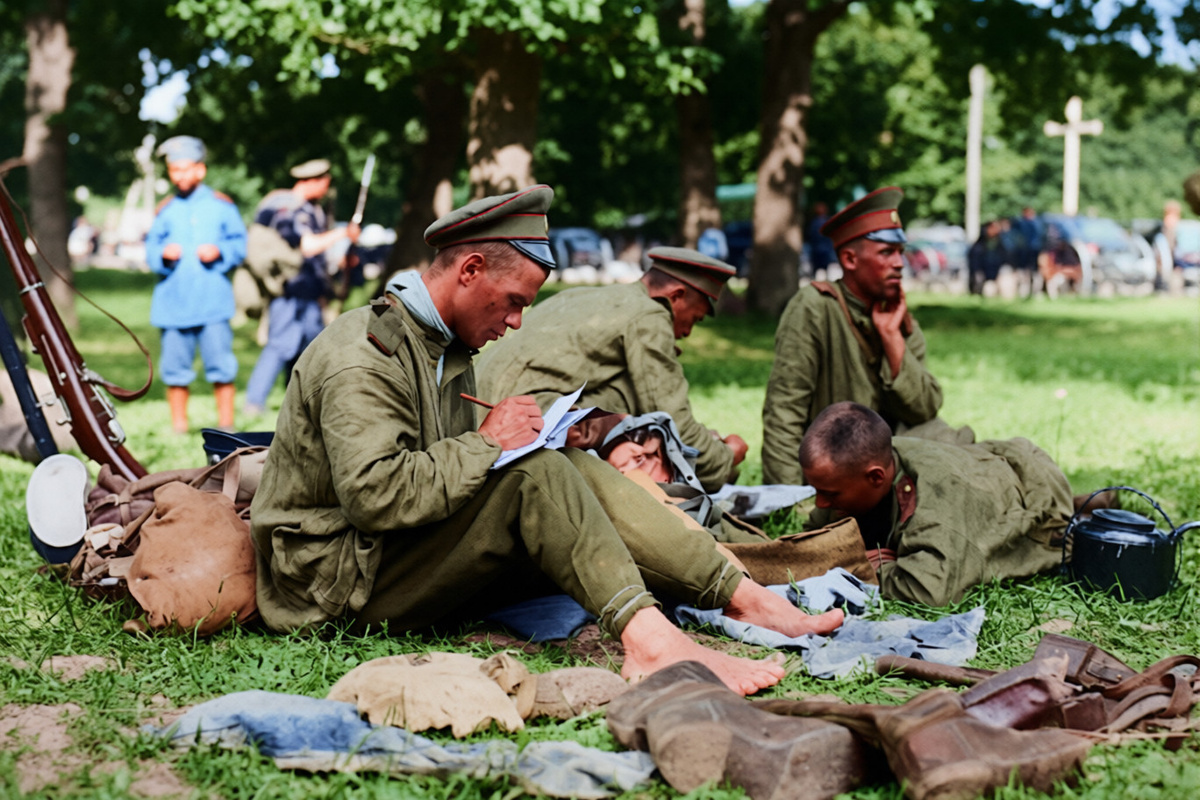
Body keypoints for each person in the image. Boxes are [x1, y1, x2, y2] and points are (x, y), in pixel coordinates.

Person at [250, 185, 843, 696]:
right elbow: (375, 496)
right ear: (470, 269)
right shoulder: (366, 356)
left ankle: (740, 595)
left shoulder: (442, 347)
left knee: (560, 462)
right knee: (539, 476)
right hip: (332, 584)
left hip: (381, 556)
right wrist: (488, 444)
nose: (515, 324)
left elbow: (443, 481)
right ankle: (654, 642)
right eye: (514, 303)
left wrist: (515, 444)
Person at [476, 247, 748, 491]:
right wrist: (724, 458)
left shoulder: (588, 296)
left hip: (477, 412)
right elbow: (674, 420)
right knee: (643, 412)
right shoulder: (649, 315)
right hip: (519, 429)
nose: (687, 332)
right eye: (694, 318)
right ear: (676, 296)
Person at [761, 186, 972, 486]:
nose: (899, 263)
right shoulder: (815, 308)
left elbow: (924, 409)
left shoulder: (896, 314)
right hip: (836, 468)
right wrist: (788, 499)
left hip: (882, 464)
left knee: (955, 444)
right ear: (849, 259)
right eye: (886, 253)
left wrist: (892, 338)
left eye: (900, 252)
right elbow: (784, 410)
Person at [799, 402, 1070, 607]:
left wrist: (869, 568)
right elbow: (813, 542)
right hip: (975, 465)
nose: (821, 503)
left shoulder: (938, 506)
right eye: (818, 491)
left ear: (876, 476)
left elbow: (928, 591)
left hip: (1036, 487)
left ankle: (1087, 503)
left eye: (830, 494)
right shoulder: (861, 469)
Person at [144, 136, 247, 433]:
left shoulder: (221, 206)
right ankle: (179, 426)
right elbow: (150, 249)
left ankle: (226, 425)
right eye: (174, 170)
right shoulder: (165, 210)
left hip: (212, 301)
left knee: (222, 365)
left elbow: (239, 244)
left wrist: (221, 252)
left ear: (200, 170)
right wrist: (162, 254)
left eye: (186, 169)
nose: (180, 176)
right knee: (174, 369)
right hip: (174, 303)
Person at [243, 158, 360, 416]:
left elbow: (317, 256)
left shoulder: (313, 209)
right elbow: (307, 246)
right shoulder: (287, 208)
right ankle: (253, 402)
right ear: (312, 181)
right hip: (289, 291)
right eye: (324, 184)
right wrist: (344, 233)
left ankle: (296, 402)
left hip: (310, 293)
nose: (327, 190)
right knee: (279, 346)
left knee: (309, 349)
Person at [806, 201, 836, 276]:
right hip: (821, 250)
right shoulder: (823, 222)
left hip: (821, 250)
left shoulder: (815, 222)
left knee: (817, 271)